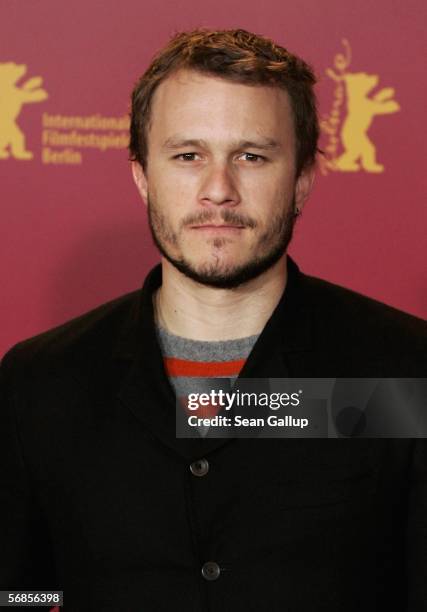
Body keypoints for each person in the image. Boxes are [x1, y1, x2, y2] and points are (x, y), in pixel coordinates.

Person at [1, 28, 426, 612]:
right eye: (187, 156)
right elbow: (19, 590)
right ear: (142, 176)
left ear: (301, 179)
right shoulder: (40, 380)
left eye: (251, 156)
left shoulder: (404, 370)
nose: (218, 190)